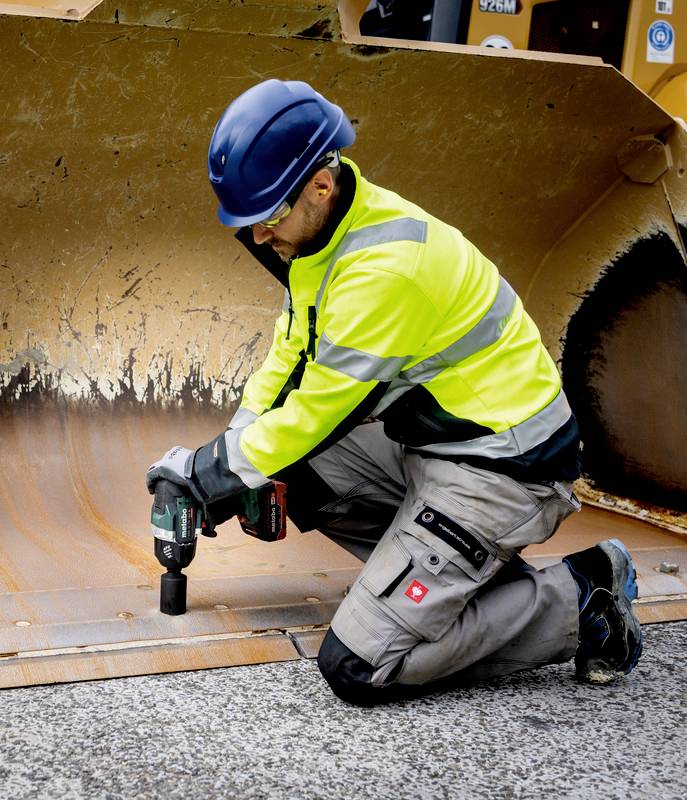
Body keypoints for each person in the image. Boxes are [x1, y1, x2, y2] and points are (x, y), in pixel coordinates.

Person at [145, 79, 643, 705]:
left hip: (505, 467)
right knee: (287, 471)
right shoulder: (327, 236)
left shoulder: (385, 269)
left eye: (267, 218)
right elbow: (289, 358)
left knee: (359, 665)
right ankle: (448, 583)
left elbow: (315, 414)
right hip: (437, 443)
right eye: (247, 225)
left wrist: (208, 472)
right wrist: (227, 456)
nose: (260, 238)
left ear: (318, 186)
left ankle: (583, 594)